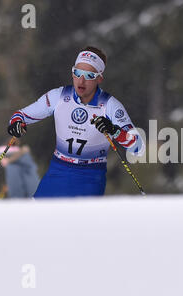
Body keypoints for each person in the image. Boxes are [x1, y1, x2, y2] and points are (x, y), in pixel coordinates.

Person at [7, 46, 144, 198]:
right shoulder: (58, 96)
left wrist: (114, 131)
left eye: (89, 75)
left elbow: (138, 147)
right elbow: (21, 115)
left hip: (90, 177)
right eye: (77, 73)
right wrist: (16, 124)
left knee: (79, 221)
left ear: (99, 78)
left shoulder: (110, 105)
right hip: (57, 172)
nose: (81, 80)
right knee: (33, 218)